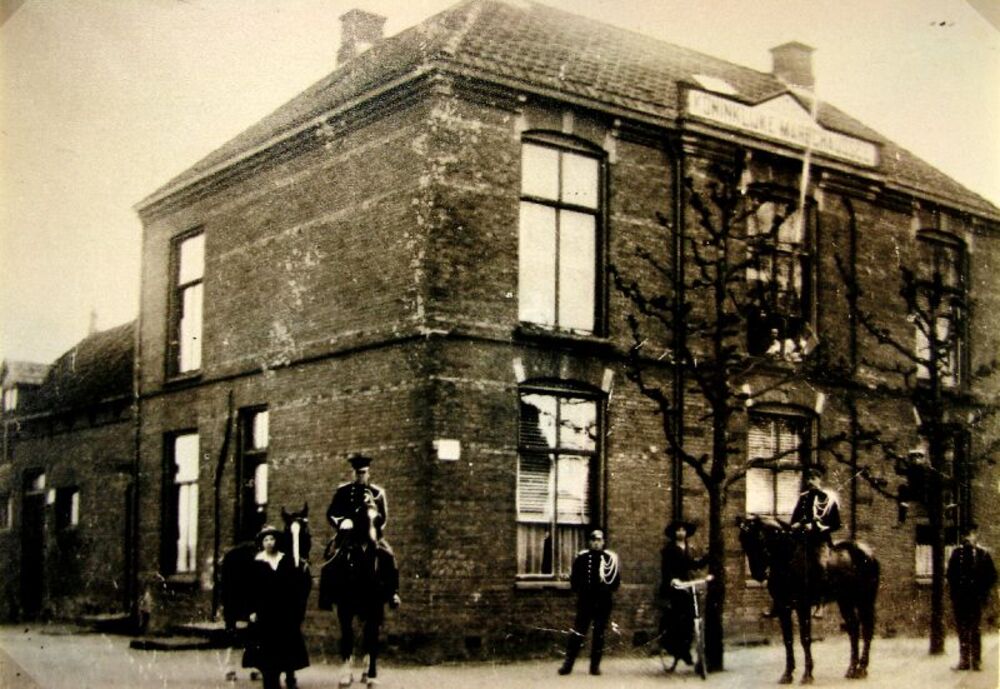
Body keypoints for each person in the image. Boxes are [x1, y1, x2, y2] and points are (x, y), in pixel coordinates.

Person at [244, 525, 310, 689]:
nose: (269, 542)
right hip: (265, 613)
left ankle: (288, 676)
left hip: (284, 611)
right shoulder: (256, 562)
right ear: (261, 543)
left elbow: (294, 585)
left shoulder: (286, 560)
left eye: (272, 539)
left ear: (276, 541)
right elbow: (250, 589)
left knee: (285, 646)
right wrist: (251, 610)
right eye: (265, 540)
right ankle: (270, 682)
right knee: (267, 649)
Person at [558, 528, 621, 677]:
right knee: (578, 632)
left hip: (603, 603)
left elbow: (615, 582)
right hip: (586, 602)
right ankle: (568, 665)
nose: (596, 543)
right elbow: (574, 579)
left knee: (599, 634)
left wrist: (605, 590)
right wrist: (581, 590)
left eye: (599, 540)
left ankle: (595, 666)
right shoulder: (582, 558)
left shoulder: (610, 558)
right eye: (593, 540)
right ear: (589, 542)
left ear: (603, 542)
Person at [658, 519, 707, 672]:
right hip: (675, 587)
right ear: (674, 533)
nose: (681, 533)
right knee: (677, 620)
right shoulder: (668, 549)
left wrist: (706, 559)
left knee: (691, 620)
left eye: (683, 530)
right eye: (678, 530)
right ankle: (680, 651)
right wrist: (672, 579)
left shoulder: (688, 548)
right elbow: (666, 569)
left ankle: (686, 651)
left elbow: (693, 565)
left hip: (687, 586)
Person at [946, 523, 997, 671]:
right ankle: (964, 661)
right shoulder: (957, 554)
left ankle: (976, 660)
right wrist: (955, 594)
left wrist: (983, 592)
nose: (969, 538)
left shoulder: (983, 554)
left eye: (972, 534)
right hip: (961, 599)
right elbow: (950, 575)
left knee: (975, 629)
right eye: (966, 535)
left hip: (976, 599)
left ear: (976, 535)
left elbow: (992, 576)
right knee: (962, 630)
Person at [327, 454, 389, 547]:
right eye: (357, 473)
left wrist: (374, 517)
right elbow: (331, 513)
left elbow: (383, 518)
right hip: (348, 536)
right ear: (353, 473)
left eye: (363, 472)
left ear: (368, 474)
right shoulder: (343, 491)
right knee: (333, 553)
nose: (360, 476)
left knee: (388, 554)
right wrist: (342, 522)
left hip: (371, 536)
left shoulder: (377, 493)